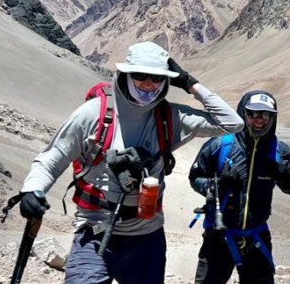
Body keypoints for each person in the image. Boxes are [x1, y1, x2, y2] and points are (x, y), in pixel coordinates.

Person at [16, 41, 244, 284]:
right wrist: (33, 189)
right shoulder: (93, 114)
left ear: (167, 80)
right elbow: (52, 158)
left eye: (156, 77)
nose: (148, 83)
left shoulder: (171, 118)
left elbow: (232, 123)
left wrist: (190, 83)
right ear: (125, 74)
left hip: (147, 238)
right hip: (94, 233)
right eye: (139, 75)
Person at [189, 90, 290, 284]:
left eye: (266, 114)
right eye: (253, 113)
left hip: (256, 237)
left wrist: (281, 173)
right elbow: (195, 177)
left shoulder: (279, 151)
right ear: (243, 113)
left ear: (273, 117)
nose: (260, 119)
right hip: (219, 235)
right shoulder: (220, 145)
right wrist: (216, 185)